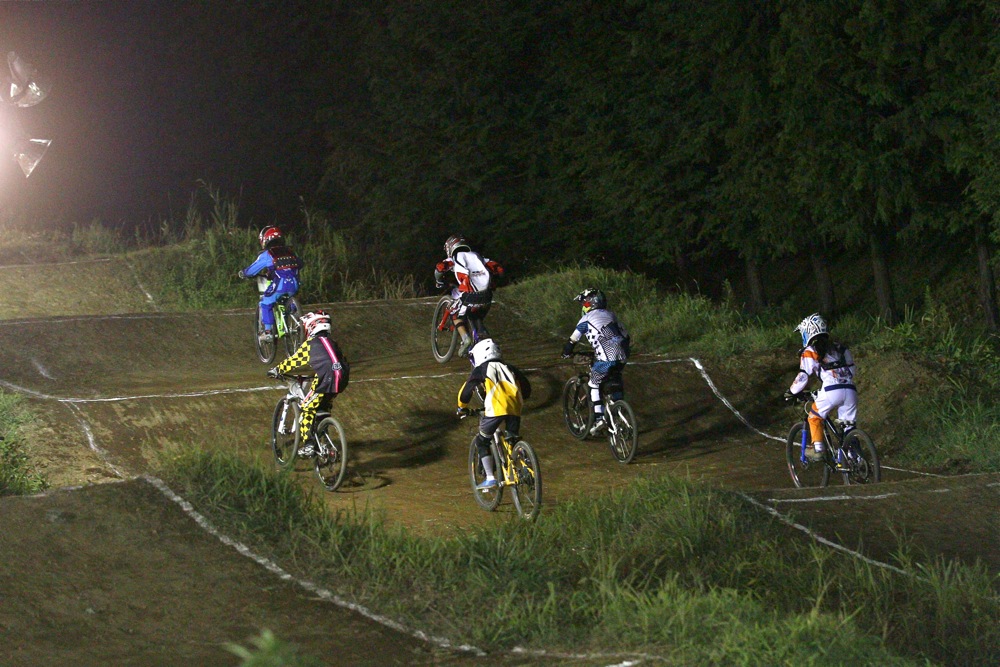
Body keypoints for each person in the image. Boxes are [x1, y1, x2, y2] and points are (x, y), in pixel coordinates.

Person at [267, 311, 350, 457]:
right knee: (321, 407)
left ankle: (309, 445)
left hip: (325, 379)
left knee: (306, 408)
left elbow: (294, 361)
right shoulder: (332, 343)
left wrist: (277, 370)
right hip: (342, 378)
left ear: (311, 326)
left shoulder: (311, 344)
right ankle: (323, 433)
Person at [456, 338, 531, 490]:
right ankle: (527, 464)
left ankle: (490, 477)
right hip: (515, 407)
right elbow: (527, 387)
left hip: (496, 409)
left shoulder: (482, 368)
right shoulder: (509, 367)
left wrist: (461, 407)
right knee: (513, 438)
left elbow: (466, 391)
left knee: (482, 441)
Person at [783, 313, 857, 464]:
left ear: (809, 332)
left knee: (814, 416)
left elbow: (804, 376)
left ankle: (818, 449)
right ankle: (855, 458)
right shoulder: (840, 348)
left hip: (831, 391)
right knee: (849, 426)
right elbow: (851, 370)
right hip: (850, 390)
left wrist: (791, 392)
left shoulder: (810, 350)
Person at [561, 288, 631, 436]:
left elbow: (573, 340)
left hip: (607, 357)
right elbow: (626, 335)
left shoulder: (585, 319)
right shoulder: (611, 314)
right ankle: (619, 412)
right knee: (615, 378)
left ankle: (599, 418)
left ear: (589, 304)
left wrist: (566, 352)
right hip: (623, 355)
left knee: (594, 382)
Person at [434, 234, 505, 357]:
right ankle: (483, 337)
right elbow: (499, 269)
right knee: (476, 316)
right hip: (487, 296)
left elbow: (439, 269)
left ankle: (465, 339)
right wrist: (494, 283)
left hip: (469, 295)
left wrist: (439, 282)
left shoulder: (454, 258)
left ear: (450, 248)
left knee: (454, 313)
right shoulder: (479, 257)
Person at [239, 226, 303, 343]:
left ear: (265, 240)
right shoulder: (290, 251)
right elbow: (300, 263)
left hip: (280, 285)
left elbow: (253, 270)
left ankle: (268, 332)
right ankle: (293, 311)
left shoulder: (268, 254)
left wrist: (244, 273)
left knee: (265, 302)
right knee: (287, 297)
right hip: (294, 285)